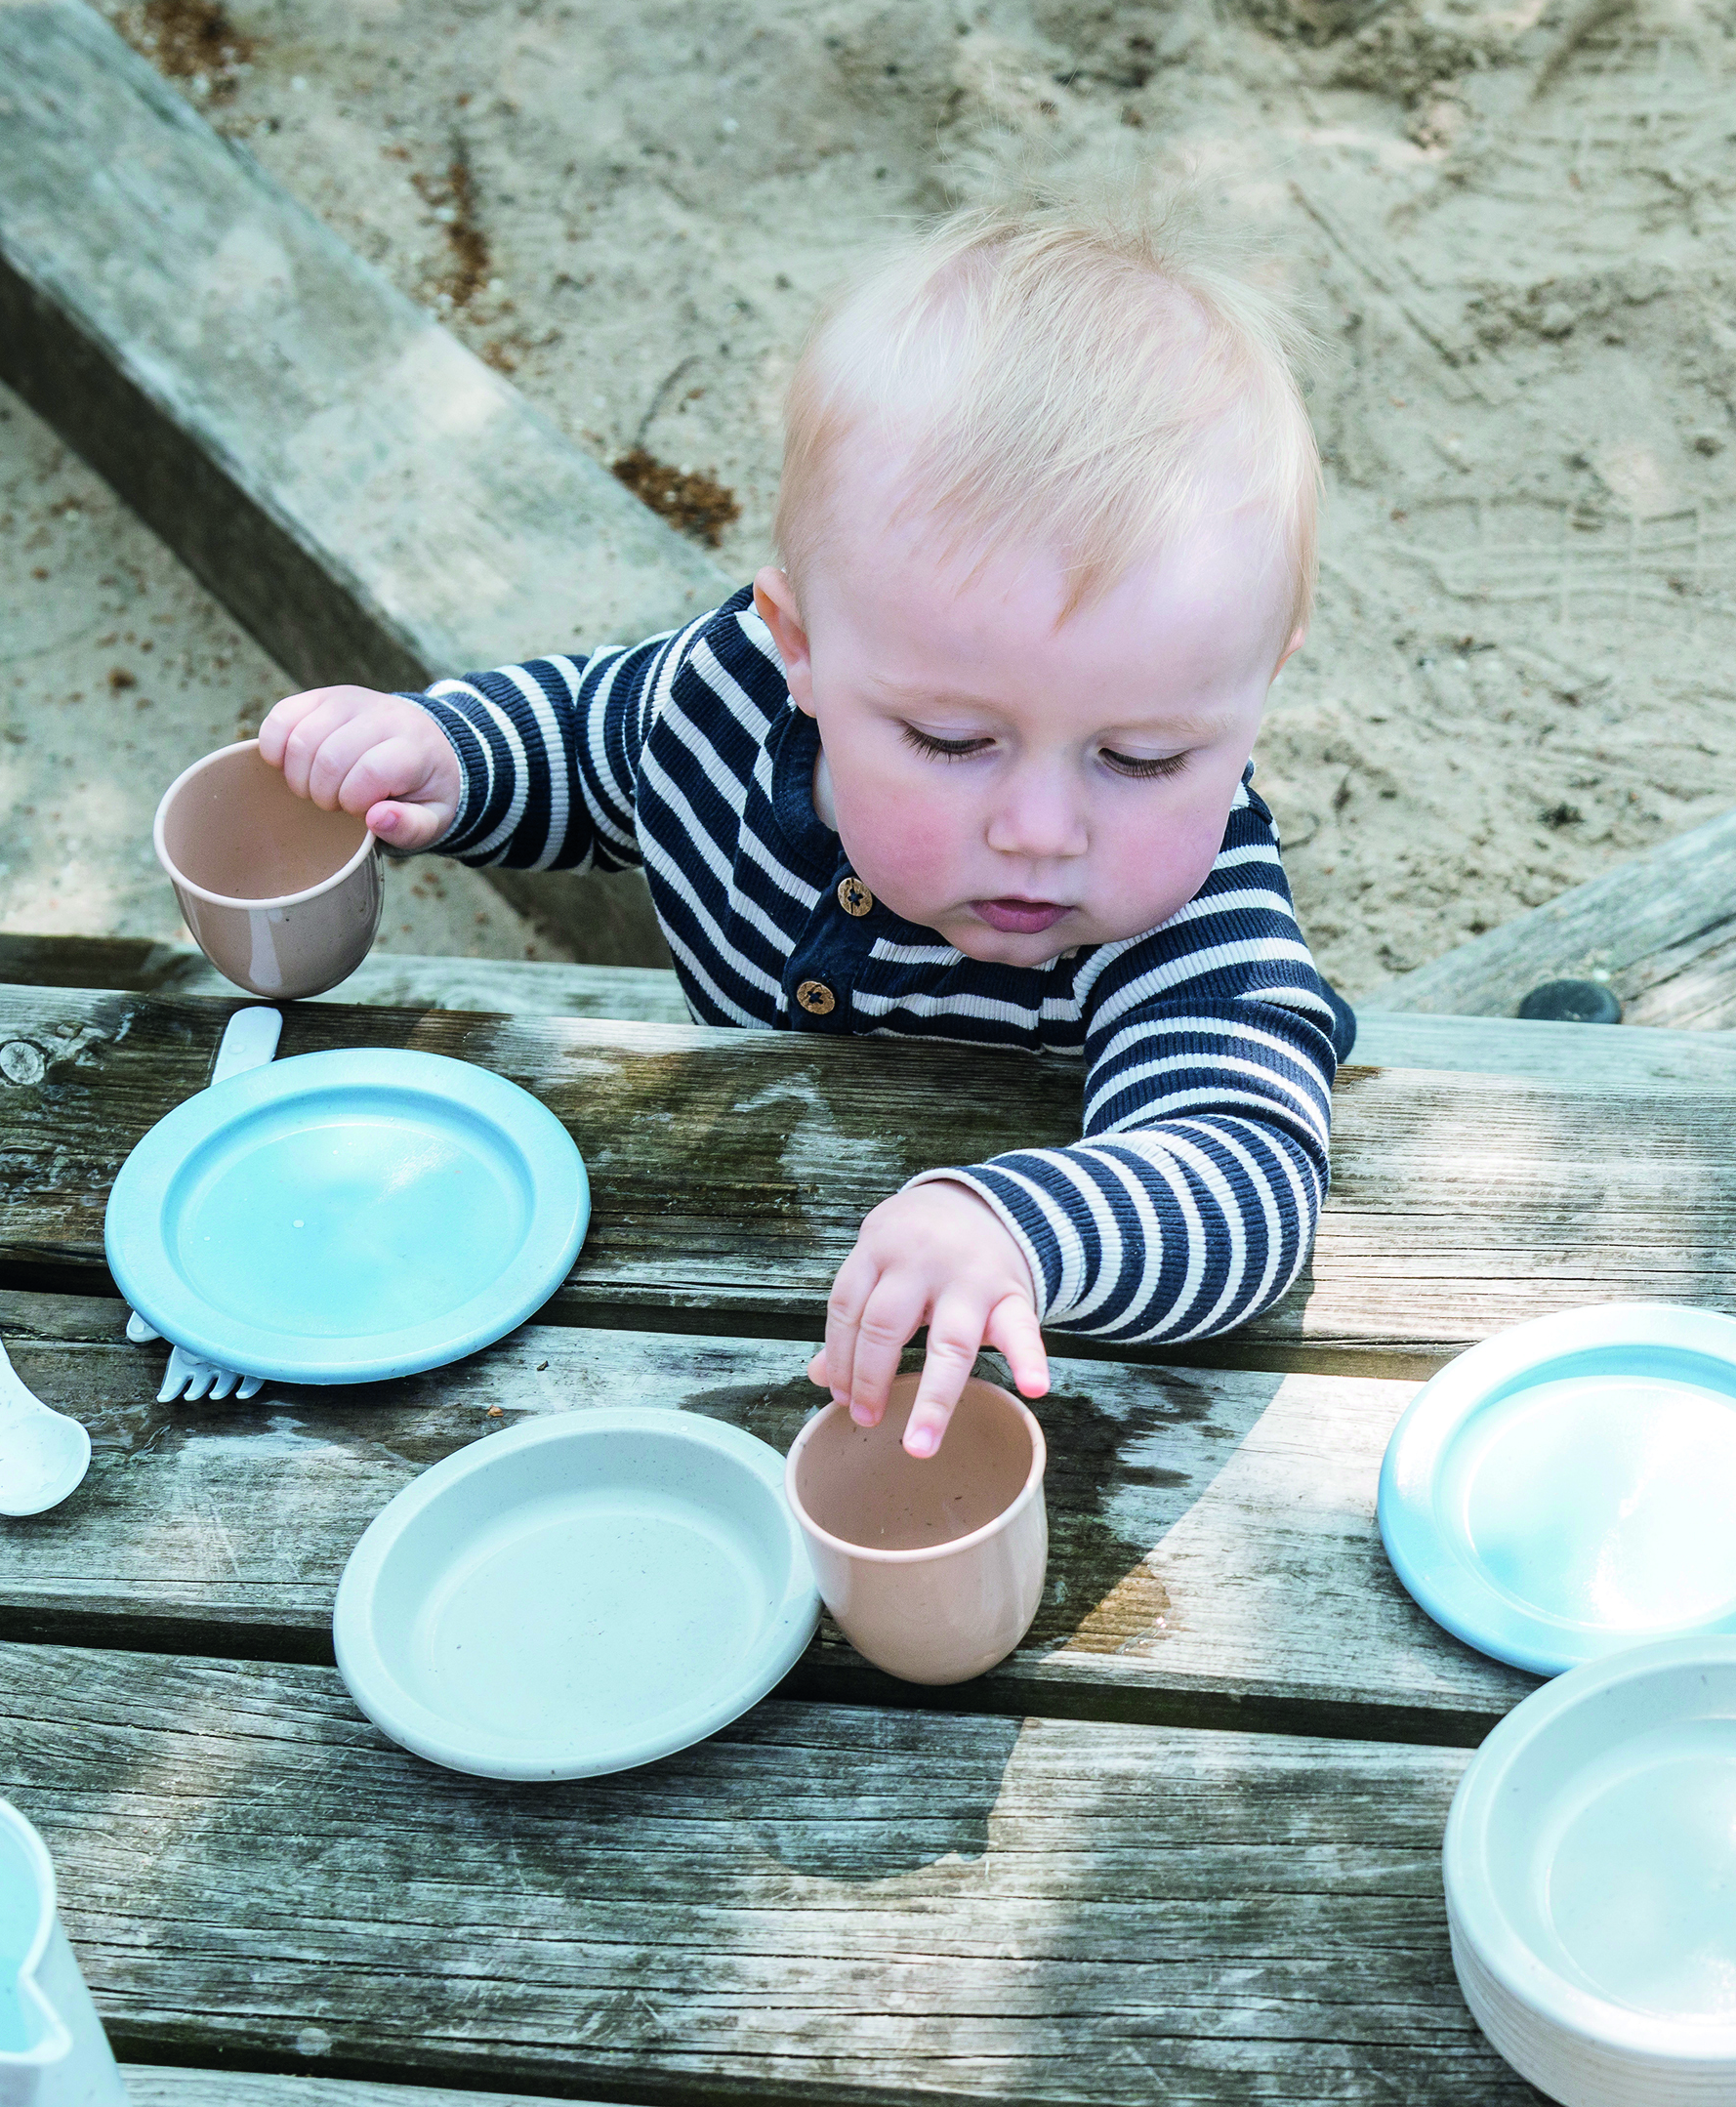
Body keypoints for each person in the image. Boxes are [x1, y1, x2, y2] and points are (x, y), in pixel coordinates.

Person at [258, 199, 1347, 1451]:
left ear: (1259, 692)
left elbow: (1249, 1179)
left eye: (1144, 756)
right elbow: (599, 742)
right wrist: (453, 755)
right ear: (804, 655)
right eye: (952, 740)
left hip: (1021, 1402)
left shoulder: (1196, 912)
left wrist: (1022, 1229)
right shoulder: (727, 693)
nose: (1045, 829)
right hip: (714, 1258)